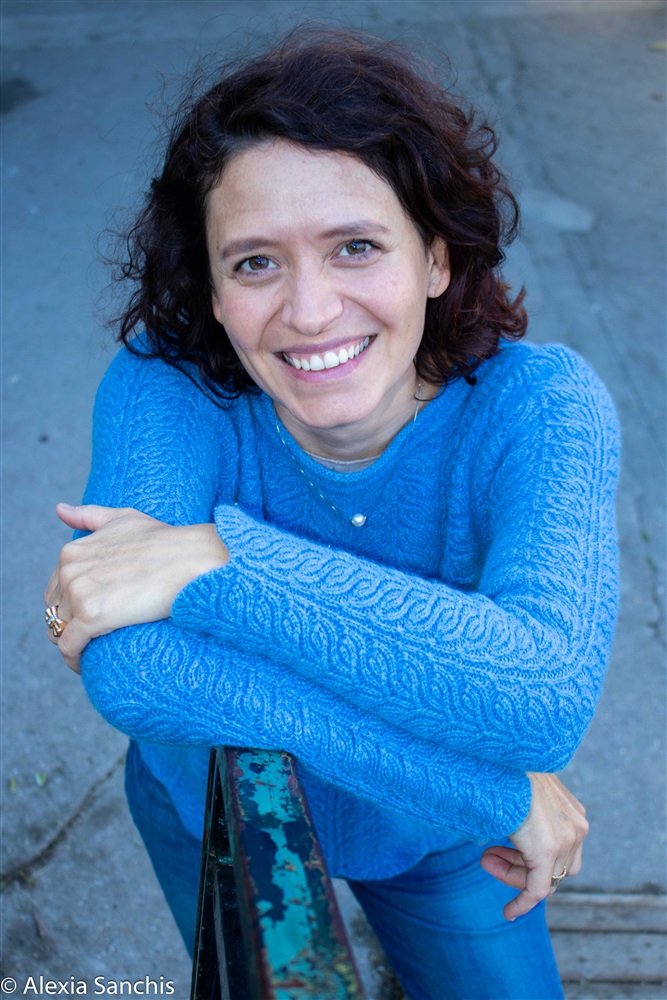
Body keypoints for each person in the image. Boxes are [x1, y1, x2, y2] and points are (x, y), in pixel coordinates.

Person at [44, 28, 619, 1000]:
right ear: (211, 289)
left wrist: (215, 562)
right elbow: (135, 670)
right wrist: (486, 788)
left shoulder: (540, 406)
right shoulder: (167, 386)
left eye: (356, 247)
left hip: (438, 844)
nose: (310, 311)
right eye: (254, 263)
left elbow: (541, 696)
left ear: (435, 257)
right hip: (225, 807)